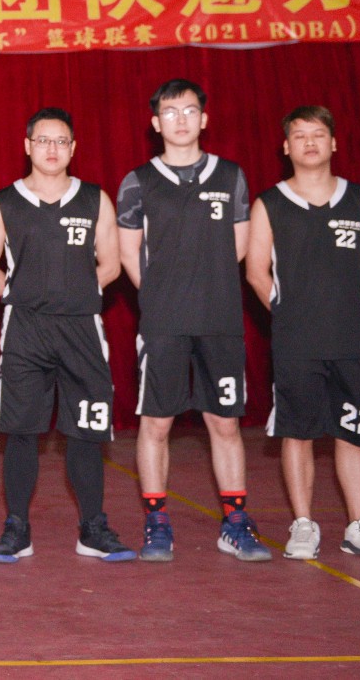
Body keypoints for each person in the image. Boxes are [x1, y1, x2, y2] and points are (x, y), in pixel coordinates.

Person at [117, 79, 269, 562]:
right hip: (163, 321)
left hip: (219, 317)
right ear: (155, 122)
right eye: (170, 111)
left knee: (224, 423)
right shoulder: (138, 181)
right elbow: (128, 254)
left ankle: (235, 523)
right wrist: (163, 294)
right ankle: (157, 522)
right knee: (156, 422)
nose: (180, 119)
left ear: (204, 119)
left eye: (188, 111)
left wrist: (205, 284)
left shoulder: (231, 175)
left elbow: (239, 244)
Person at [0, 108, 134, 563]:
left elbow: (112, 264)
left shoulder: (95, 200)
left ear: (73, 148)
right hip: (25, 331)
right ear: (27, 146)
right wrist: (18, 294)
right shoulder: (4, 202)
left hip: (81, 329)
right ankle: (17, 528)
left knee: (86, 431)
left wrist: (76, 294)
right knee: (22, 430)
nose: (52, 149)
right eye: (43, 140)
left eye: (61, 141)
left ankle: (92, 528)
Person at [245, 106, 360, 561]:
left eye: (318, 134)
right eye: (300, 135)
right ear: (286, 146)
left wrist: (337, 310)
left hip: (352, 338)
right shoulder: (270, 203)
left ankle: (358, 527)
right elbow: (256, 271)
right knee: (298, 432)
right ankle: (303, 524)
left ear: (333, 143)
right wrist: (290, 315)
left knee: (354, 431)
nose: (309, 142)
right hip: (297, 341)